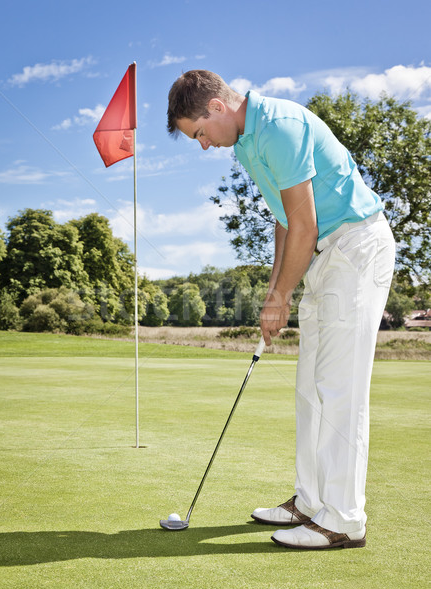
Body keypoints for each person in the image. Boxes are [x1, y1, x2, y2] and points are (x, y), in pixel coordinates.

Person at [167, 70, 395, 550]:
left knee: (339, 389)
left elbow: (306, 226)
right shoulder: (248, 142)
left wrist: (280, 299)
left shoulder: (279, 126)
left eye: (200, 134)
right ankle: (312, 503)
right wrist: (275, 290)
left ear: (215, 108)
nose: (204, 145)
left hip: (356, 246)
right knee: (311, 387)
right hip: (326, 255)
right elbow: (285, 221)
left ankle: (343, 519)